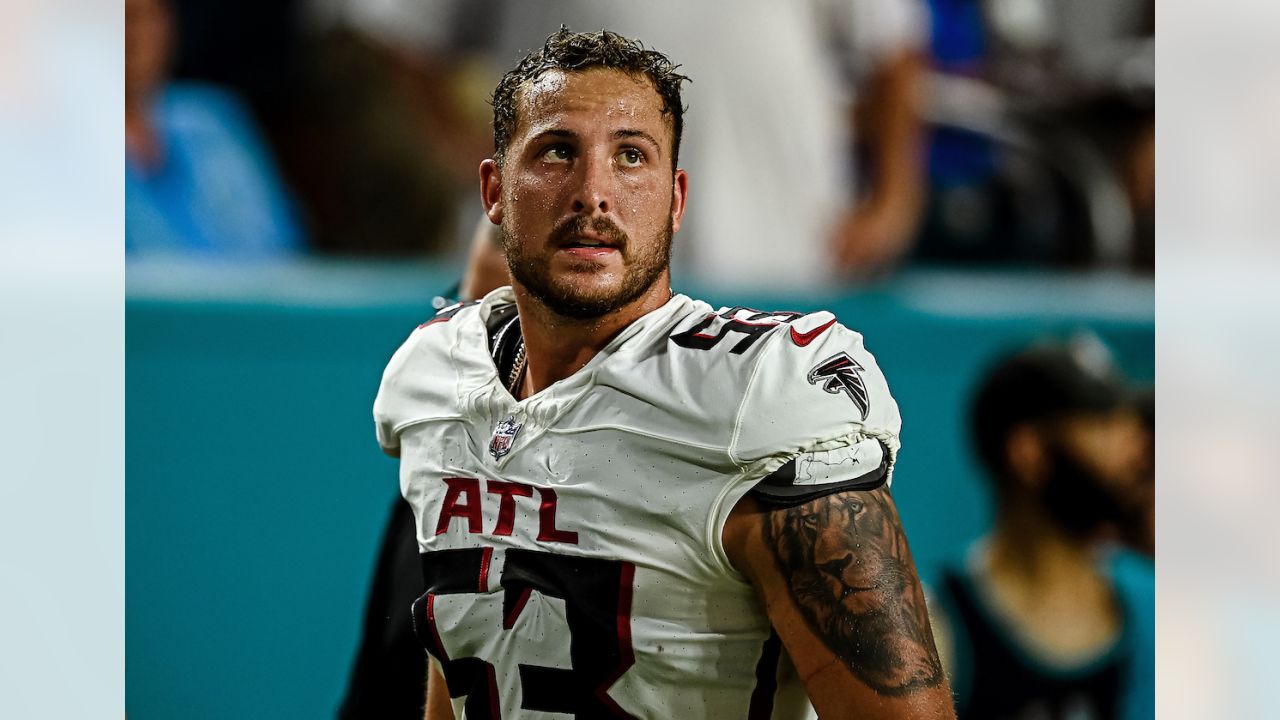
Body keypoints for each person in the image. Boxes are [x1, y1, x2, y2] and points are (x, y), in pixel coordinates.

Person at [373, 29, 954, 718]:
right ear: (494, 193)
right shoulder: (438, 377)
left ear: (677, 202)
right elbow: (462, 668)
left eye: (630, 157)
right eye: (558, 152)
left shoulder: (759, 399)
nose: (594, 192)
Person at [930, 339, 1154, 719]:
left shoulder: (1157, 608)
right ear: (1028, 450)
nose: (1134, 446)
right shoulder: (941, 633)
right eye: (1104, 424)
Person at [125, 0, 304, 258]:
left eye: (142, 18)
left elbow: (284, 244)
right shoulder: (61, 138)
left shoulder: (212, 120)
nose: (130, 35)